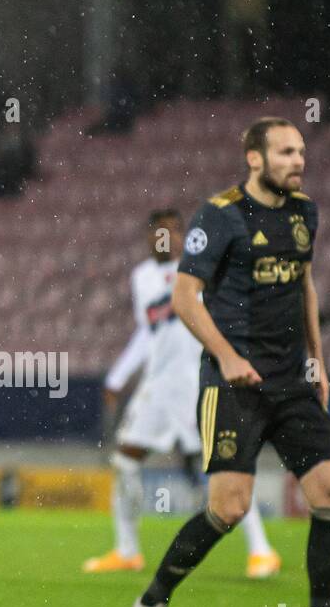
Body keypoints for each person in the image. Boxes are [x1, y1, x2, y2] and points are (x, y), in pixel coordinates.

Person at [130, 118, 330, 607]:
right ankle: (152, 602)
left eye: (301, 151)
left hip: (291, 382)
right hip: (232, 385)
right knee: (229, 508)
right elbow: (186, 297)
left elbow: (306, 285)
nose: (298, 161)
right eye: (285, 152)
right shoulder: (220, 215)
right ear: (254, 159)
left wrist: (319, 363)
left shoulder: (306, 213)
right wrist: (228, 357)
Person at [83, 208, 280, 579]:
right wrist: (117, 377)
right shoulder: (141, 278)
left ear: (183, 236)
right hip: (157, 388)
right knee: (125, 461)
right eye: (156, 233)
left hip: (197, 382)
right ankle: (127, 550)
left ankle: (262, 551)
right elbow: (148, 333)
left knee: (225, 465)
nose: (163, 239)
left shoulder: (204, 269)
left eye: (171, 232)